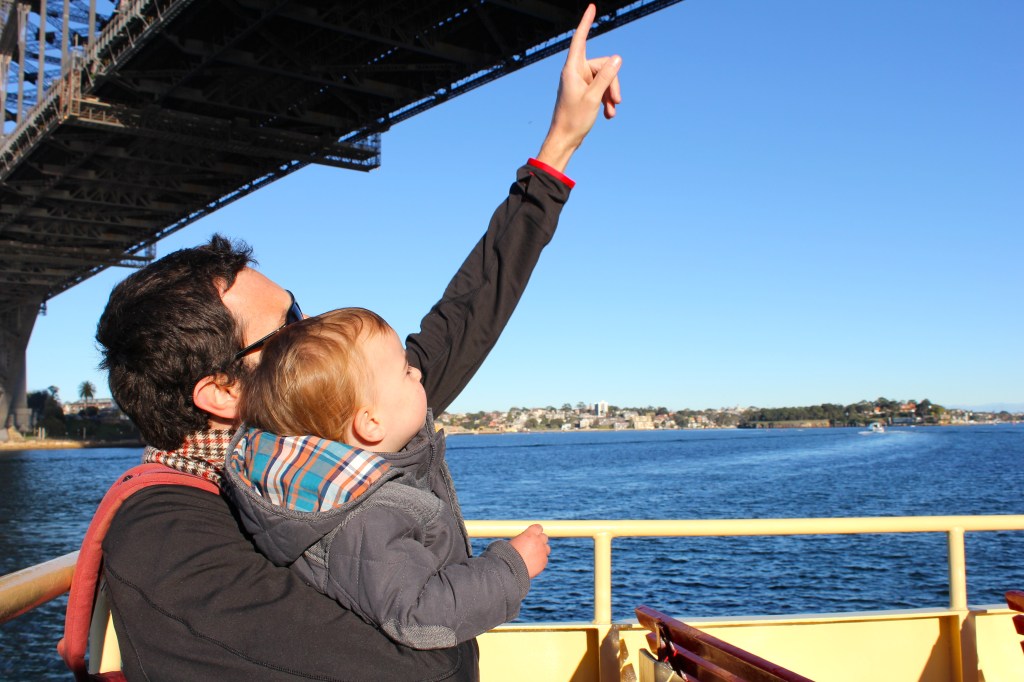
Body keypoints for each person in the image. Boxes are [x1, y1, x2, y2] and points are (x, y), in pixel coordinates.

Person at [93, 5, 621, 680]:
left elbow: (465, 314)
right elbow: (417, 668)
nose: (312, 338)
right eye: (287, 332)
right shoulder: (168, 533)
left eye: (302, 313)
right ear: (221, 391)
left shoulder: (336, 427)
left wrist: (557, 149)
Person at [223, 308, 550, 653]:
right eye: (406, 370)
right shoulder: (367, 515)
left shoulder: (339, 492)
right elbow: (418, 615)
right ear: (371, 423)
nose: (418, 372)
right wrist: (512, 567)